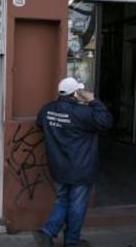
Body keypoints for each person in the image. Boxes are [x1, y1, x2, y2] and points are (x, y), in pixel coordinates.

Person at [34, 77, 113, 247]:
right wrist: (93, 101)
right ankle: (70, 241)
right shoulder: (83, 113)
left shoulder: (47, 109)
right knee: (77, 205)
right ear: (75, 93)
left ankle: (47, 233)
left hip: (59, 167)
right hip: (81, 168)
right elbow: (106, 122)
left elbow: (40, 123)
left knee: (63, 200)